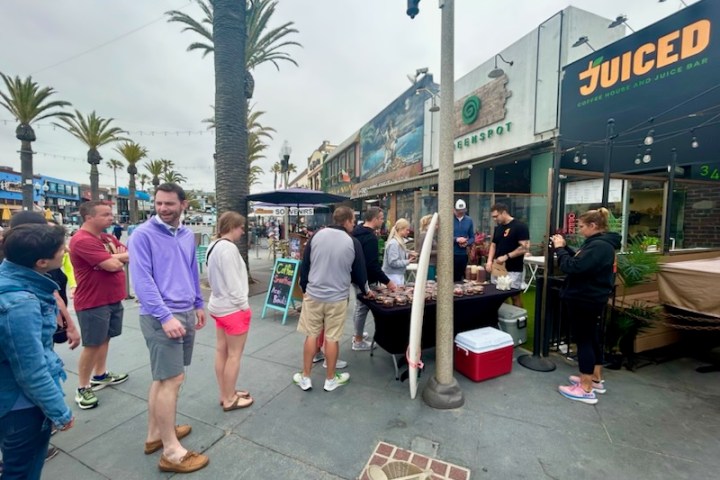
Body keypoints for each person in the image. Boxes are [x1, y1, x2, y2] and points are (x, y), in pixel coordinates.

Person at [128, 183, 208, 473]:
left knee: (164, 378)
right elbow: (142, 281)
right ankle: (171, 452)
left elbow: (190, 270)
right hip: (161, 316)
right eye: (159, 203)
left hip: (185, 311)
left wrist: (198, 302)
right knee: (171, 380)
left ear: (183, 204)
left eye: (169, 204)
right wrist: (165, 316)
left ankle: (154, 436)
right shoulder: (142, 235)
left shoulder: (187, 235)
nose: (162, 208)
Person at [0, 224, 75, 480]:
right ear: (42, 262)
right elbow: (31, 369)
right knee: (22, 471)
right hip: (20, 407)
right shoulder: (21, 303)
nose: (65, 251)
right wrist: (60, 412)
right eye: (60, 249)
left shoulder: (9, 282)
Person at [293, 206, 373, 392]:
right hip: (337, 298)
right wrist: (365, 290)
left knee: (311, 334)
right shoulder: (352, 242)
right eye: (353, 220)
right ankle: (330, 379)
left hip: (314, 295)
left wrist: (305, 287)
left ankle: (305, 377)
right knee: (332, 337)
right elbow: (360, 273)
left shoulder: (316, 236)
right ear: (346, 221)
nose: (354, 224)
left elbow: (305, 265)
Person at [552, 208, 620, 405]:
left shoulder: (599, 246)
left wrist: (559, 249)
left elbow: (572, 267)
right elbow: (582, 261)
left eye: (582, 226)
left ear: (593, 226)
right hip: (591, 298)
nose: (580, 230)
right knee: (592, 337)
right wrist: (565, 248)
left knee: (584, 340)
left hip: (585, 299)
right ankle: (594, 377)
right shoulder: (600, 244)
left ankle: (585, 387)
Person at [69, 201, 129, 410]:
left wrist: (111, 256)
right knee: (92, 344)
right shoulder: (82, 240)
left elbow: (129, 254)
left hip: (111, 298)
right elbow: (113, 265)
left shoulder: (105, 237)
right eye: (105, 215)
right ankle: (83, 387)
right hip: (92, 302)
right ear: (89, 218)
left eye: (110, 214)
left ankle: (100, 375)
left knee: (105, 338)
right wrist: (114, 257)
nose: (110, 218)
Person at [206, 211, 253, 412]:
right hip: (232, 309)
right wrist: (244, 306)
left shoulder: (213, 245)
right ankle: (229, 398)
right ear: (233, 227)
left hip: (218, 306)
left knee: (221, 351)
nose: (242, 231)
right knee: (234, 355)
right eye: (241, 227)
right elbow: (234, 284)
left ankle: (226, 392)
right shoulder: (229, 249)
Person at [351, 207, 397, 351]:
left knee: (359, 306)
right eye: (382, 218)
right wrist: (388, 282)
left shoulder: (356, 232)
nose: (383, 221)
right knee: (362, 308)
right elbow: (372, 265)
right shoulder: (371, 238)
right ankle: (358, 340)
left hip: (355, 276)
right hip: (365, 278)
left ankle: (357, 334)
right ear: (375, 218)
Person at [485, 203, 529, 307]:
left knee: (514, 295)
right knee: (498, 295)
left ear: (504, 213)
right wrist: (489, 261)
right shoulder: (498, 228)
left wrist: (507, 256)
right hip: (498, 267)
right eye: (493, 217)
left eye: (496, 216)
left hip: (513, 268)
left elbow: (525, 247)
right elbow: (493, 245)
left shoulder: (520, 226)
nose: (495, 219)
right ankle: (504, 318)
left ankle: (519, 319)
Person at [382, 218, 416, 286]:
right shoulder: (394, 243)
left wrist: (408, 255)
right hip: (393, 275)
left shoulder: (399, 242)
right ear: (401, 229)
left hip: (397, 274)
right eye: (407, 230)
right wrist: (407, 261)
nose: (408, 232)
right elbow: (393, 262)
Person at [453, 199, 475, 282]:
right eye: (458, 211)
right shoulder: (449, 219)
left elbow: (472, 237)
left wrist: (467, 243)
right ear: (454, 210)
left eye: (462, 211)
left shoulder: (469, 220)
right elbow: (444, 236)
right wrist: (456, 239)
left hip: (463, 254)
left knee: (461, 277)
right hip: (451, 253)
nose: (460, 213)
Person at [417, 214, 439, 280]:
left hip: (432, 264)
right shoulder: (424, 235)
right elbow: (422, 252)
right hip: (428, 265)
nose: (437, 227)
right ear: (427, 225)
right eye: (435, 224)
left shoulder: (429, 236)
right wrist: (438, 252)